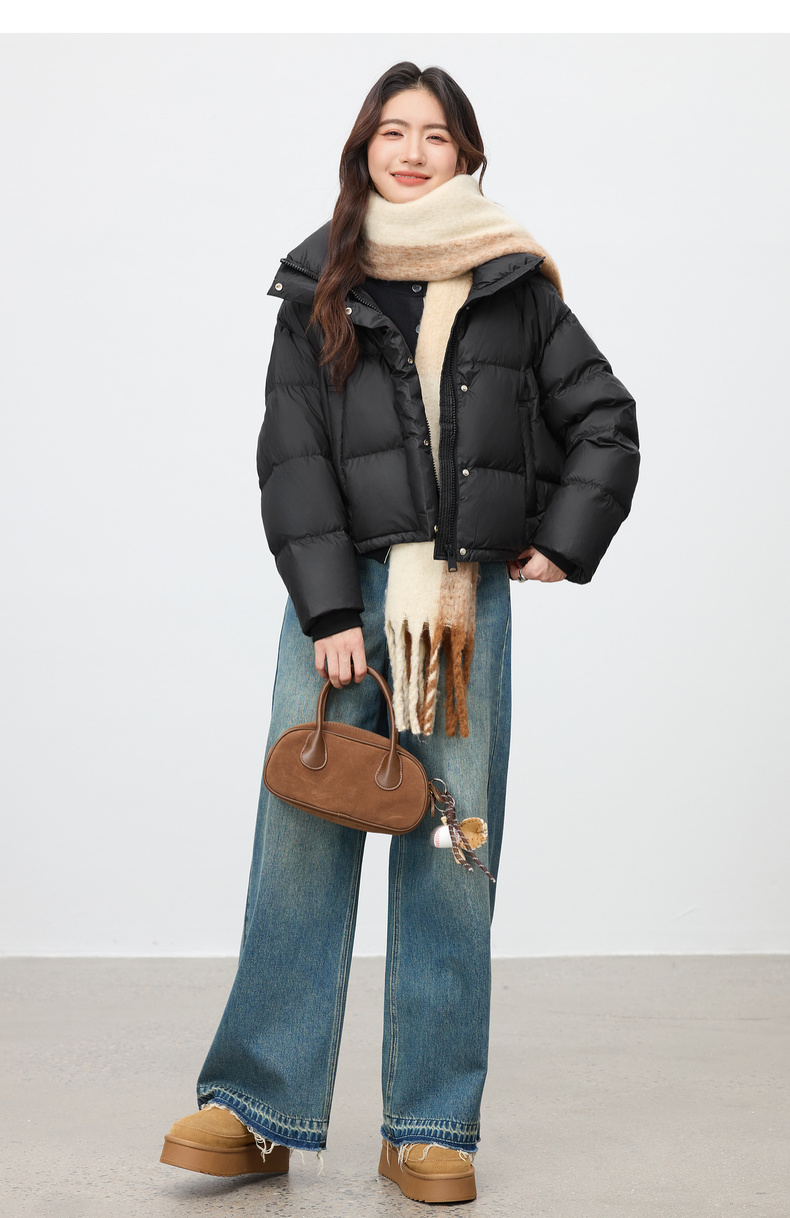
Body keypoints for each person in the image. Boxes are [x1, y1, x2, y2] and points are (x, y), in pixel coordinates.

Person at [159, 60, 640, 1204]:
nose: (412, 152)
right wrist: (330, 609)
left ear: (465, 153)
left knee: (451, 855)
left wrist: (557, 542)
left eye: (434, 134)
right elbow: (292, 455)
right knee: (300, 840)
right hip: (341, 602)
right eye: (392, 132)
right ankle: (256, 1110)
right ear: (363, 149)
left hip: (461, 609)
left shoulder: (515, 285)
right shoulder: (318, 284)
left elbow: (605, 420)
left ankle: (430, 1123)